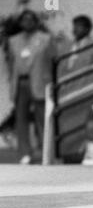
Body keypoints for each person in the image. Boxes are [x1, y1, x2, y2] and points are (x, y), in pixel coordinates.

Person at [7, 10, 56, 164]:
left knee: (42, 118)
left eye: (30, 20)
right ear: (20, 23)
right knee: (21, 119)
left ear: (36, 22)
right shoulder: (13, 40)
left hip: (39, 82)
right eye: (24, 20)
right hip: (20, 82)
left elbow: (54, 59)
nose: (27, 23)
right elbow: (11, 63)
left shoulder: (46, 38)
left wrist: (50, 81)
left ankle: (45, 151)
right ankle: (24, 153)